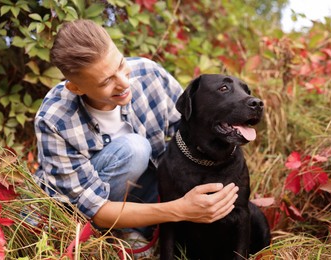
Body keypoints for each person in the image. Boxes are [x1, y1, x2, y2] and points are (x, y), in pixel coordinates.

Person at [34, 19, 239, 242]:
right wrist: (180, 209)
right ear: (77, 88)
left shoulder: (151, 76)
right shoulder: (54, 118)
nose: (124, 83)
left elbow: (192, 133)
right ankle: (114, 235)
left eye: (121, 65)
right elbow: (94, 208)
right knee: (135, 149)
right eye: (106, 82)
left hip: (146, 192)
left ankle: (138, 231)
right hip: (84, 210)